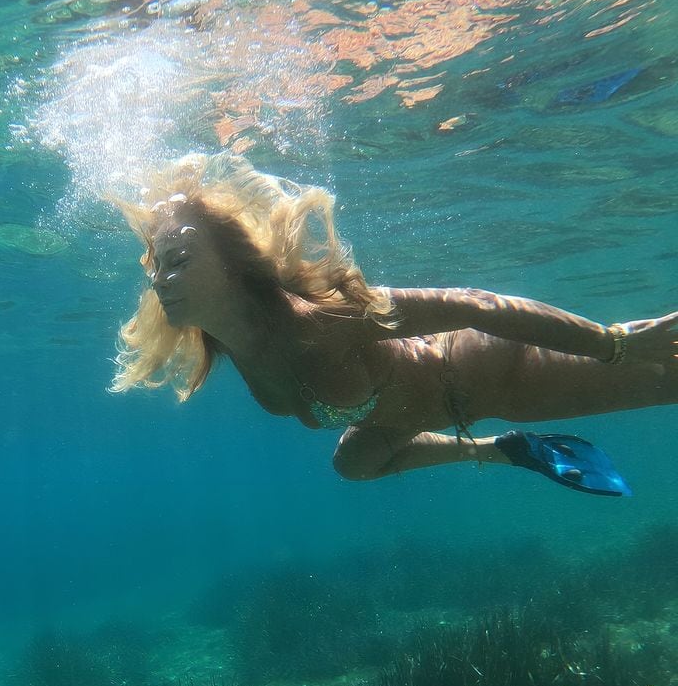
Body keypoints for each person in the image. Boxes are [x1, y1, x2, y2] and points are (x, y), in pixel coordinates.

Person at [111, 154, 678, 495]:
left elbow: (472, 304)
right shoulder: (230, 347)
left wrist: (613, 344)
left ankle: (617, 357)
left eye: (179, 261)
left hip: (492, 371)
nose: (161, 279)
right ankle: (508, 450)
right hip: (435, 412)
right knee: (352, 464)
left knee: (662, 377)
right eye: (156, 265)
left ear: (233, 268)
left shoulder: (325, 317)